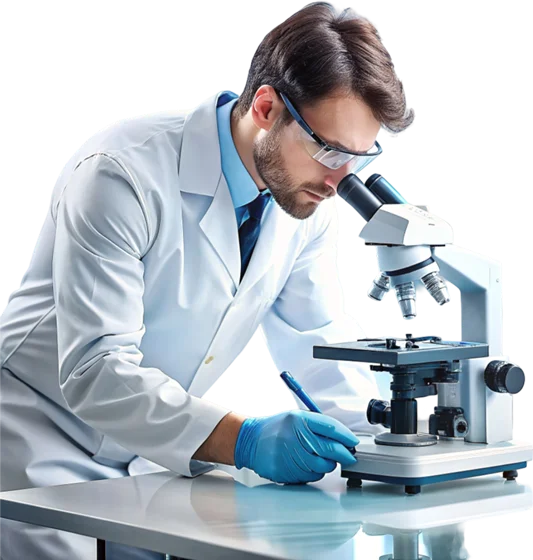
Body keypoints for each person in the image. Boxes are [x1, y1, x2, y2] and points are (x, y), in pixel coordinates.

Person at [0, 3, 413, 559]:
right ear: (266, 107)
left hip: (150, 451)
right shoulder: (121, 173)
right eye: (329, 150)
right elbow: (96, 369)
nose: (339, 182)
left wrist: (388, 441)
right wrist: (245, 440)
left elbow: (315, 340)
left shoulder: (302, 199)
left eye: (357, 159)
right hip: (40, 438)